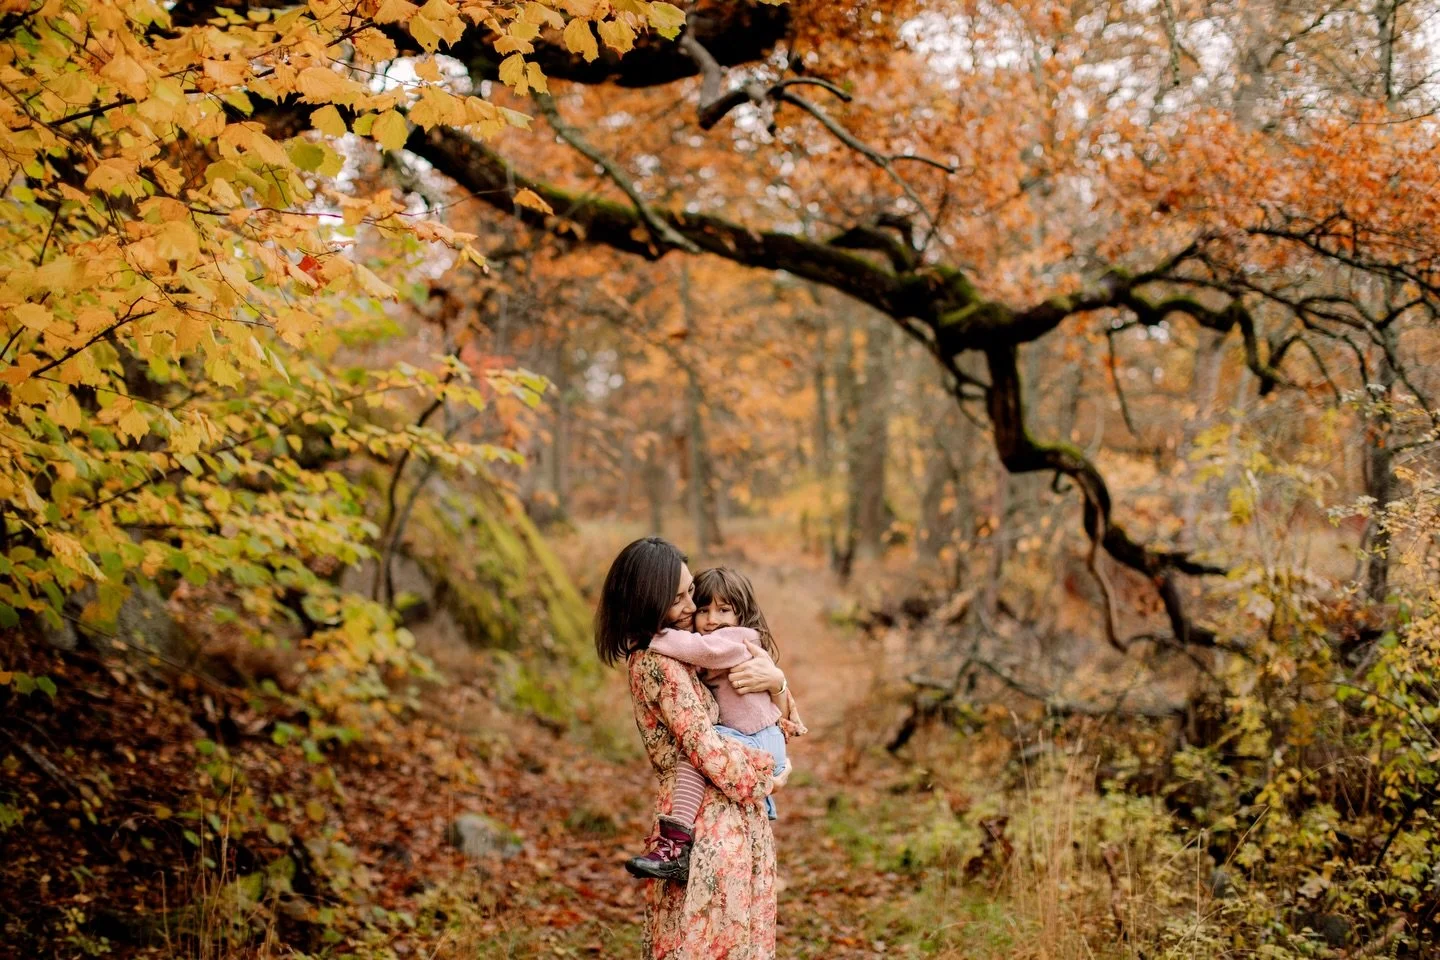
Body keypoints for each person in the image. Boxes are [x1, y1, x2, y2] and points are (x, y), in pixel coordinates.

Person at [595, 538, 801, 959]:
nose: (693, 607)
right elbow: (710, 753)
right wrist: (771, 777)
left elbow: (756, 710)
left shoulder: (688, 653)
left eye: (692, 591)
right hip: (704, 825)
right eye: (680, 599)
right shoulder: (660, 661)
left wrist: (777, 682)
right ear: (648, 602)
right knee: (702, 945)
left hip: (732, 816)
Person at [624, 566, 804, 881]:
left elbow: (699, 649)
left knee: (695, 754)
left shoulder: (734, 640)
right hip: (755, 737)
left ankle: (675, 844)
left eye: (724, 610)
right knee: (704, 745)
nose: (711, 619)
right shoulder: (713, 643)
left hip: (760, 740)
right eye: (704, 609)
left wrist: (650, 636)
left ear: (742, 613)